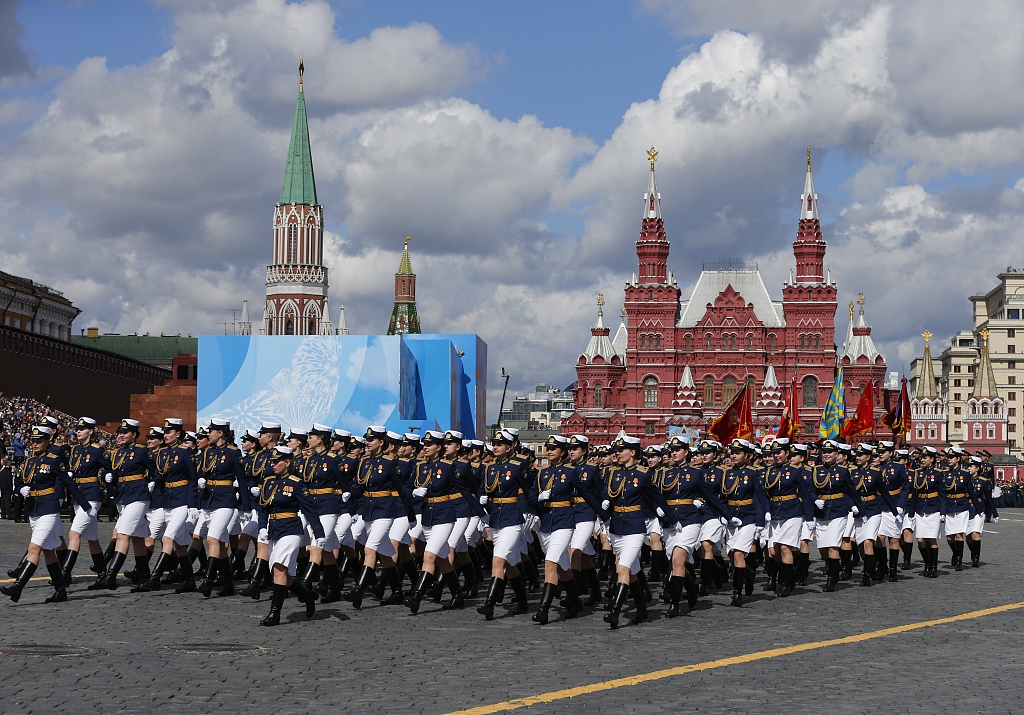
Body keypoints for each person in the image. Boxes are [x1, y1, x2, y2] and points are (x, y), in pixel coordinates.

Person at [2, 425, 94, 603]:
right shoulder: (28, 462)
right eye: (33, 441)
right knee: (49, 552)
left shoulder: (53, 461)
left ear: (47, 441)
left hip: (49, 510)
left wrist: (85, 505)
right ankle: (61, 590)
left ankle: (18, 586)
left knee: (33, 549)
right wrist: (21, 489)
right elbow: (20, 483)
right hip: (34, 510)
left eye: (39, 441)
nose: (35, 444)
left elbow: (69, 483)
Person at [527, 434, 605, 625]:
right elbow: (531, 495)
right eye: (548, 448)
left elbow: (591, 494)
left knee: (560, 558)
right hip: (549, 522)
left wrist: (606, 516)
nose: (550, 451)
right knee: (565, 565)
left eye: (574, 448)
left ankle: (544, 609)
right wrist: (537, 500)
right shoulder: (542, 473)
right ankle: (578, 599)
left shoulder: (581, 471)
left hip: (575, 517)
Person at [601, 436, 670, 629]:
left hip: (635, 527)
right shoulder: (612, 473)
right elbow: (606, 494)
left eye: (622, 450)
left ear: (633, 452)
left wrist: (668, 517)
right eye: (617, 450)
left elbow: (656, 498)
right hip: (616, 527)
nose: (618, 453)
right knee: (630, 572)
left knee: (622, 569)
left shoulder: (644, 474)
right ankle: (641, 607)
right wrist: (604, 504)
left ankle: (615, 611)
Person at [406, 431, 478, 614]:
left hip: (445, 517)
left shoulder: (448, 467)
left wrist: (482, 513)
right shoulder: (420, 467)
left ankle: (416, 597)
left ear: (439, 447)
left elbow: (466, 490)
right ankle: (457, 596)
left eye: (430, 445)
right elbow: (406, 487)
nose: (426, 448)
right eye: (424, 445)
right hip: (428, 517)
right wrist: (413, 492)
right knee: (443, 559)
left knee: (428, 556)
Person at [660, 434, 728, 615]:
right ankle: (691, 589)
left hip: (690, 520)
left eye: (678, 450)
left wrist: (727, 515)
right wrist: (657, 508)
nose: (674, 453)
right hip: (670, 522)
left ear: (686, 452)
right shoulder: (665, 473)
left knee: (678, 559)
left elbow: (711, 497)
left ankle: (674, 604)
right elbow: (654, 495)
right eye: (672, 451)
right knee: (676, 564)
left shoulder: (696, 474)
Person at [88, 419, 159, 590]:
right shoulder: (117, 453)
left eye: (124, 433)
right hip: (123, 496)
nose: (120, 436)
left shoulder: (142, 451)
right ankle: (145, 576)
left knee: (122, 534)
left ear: (134, 435)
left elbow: (156, 470)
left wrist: (153, 482)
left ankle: (110, 575)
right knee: (137, 538)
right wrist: (107, 475)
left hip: (139, 495)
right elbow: (109, 468)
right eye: (119, 433)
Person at [257, 446, 324, 626]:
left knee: (279, 568)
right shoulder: (268, 481)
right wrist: (262, 527)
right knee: (281, 574)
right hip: (273, 530)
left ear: (287, 463)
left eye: (276, 461)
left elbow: (309, 509)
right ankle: (308, 596)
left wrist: (319, 533)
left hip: (291, 530)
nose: (273, 464)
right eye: (271, 461)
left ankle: (274, 613)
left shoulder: (296, 482)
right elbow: (263, 507)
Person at [133, 418, 199, 592]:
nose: (166, 435)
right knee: (179, 544)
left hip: (182, 501)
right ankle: (190, 580)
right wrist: (153, 482)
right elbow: (158, 474)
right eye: (165, 432)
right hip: (167, 501)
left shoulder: (186, 452)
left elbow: (192, 478)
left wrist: (192, 504)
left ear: (178, 434)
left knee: (167, 538)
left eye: (169, 432)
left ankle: (154, 577)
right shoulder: (162, 453)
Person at [476, 429, 531, 620]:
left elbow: (530, 489)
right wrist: (483, 499)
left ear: (509, 447)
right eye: (494, 444)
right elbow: (484, 488)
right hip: (496, 519)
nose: (495, 447)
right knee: (511, 563)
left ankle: (489, 604)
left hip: (513, 518)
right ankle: (523, 600)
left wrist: (533, 510)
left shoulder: (518, 465)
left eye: (499, 445)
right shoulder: (490, 467)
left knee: (497, 560)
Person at [195, 419, 247, 597]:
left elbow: (242, 479)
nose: (209, 434)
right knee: (219, 544)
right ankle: (228, 583)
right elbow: (203, 472)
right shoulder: (208, 451)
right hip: (210, 500)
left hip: (226, 500)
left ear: (221, 433)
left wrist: (244, 506)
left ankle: (208, 580)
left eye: (212, 431)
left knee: (212, 539)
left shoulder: (233, 452)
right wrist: (201, 478)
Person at [809, 440, 864, 592]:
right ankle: (835, 566)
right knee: (823, 548)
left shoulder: (844, 471)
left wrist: (857, 508)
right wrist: (815, 500)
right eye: (824, 452)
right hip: (821, 512)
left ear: (836, 454)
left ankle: (831, 580)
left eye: (830, 452)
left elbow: (851, 491)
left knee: (834, 545)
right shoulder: (816, 470)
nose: (826, 455)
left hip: (839, 511)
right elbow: (810, 490)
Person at [763, 439, 814, 597]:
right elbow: (765, 494)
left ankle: (785, 583)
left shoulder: (794, 471)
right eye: (775, 453)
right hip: (775, 514)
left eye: (780, 452)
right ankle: (791, 573)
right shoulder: (769, 472)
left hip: (792, 512)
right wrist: (766, 510)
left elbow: (805, 495)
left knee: (785, 547)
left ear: (787, 453)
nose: (776, 456)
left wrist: (809, 517)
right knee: (773, 552)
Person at [62, 417, 109, 586]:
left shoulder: (97, 450)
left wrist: (105, 475)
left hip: (91, 496)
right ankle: (104, 574)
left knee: (74, 533)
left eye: (82, 429)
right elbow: (72, 467)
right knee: (92, 538)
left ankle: (64, 573)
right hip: (77, 495)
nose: (78, 431)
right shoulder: (74, 450)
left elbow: (109, 467)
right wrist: (68, 472)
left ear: (91, 431)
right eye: (77, 428)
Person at [907, 446, 946, 578]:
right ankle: (927, 563)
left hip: (934, 509)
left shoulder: (939, 473)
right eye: (922, 457)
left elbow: (942, 494)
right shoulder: (917, 472)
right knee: (920, 540)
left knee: (932, 540)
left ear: (932, 459)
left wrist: (942, 512)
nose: (922, 460)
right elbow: (914, 493)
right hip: (920, 509)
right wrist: (911, 512)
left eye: (925, 457)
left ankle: (933, 567)